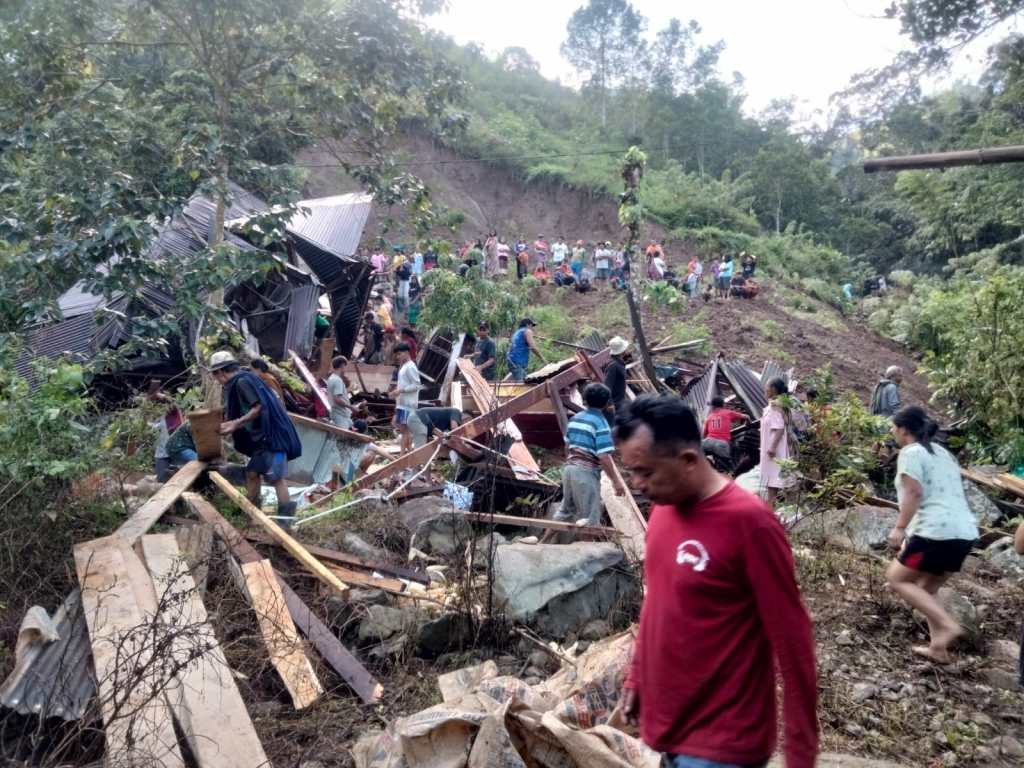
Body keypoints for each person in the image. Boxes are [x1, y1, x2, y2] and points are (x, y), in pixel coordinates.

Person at [617, 395, 818, 768]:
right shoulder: (663, 512)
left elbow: (794, 643)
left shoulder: (750, 524)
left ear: (689, 461)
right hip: (671, 727)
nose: (637, 484)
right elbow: (657, 602)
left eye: (645, 472)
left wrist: (801, 754)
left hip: (725, 740)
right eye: (631, 472)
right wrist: (637, 676)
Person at [885, 406, 979, 664]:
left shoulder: (910, 453)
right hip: (965, 532)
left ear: (904, 430)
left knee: (897, 579)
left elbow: (914, 493)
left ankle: (949, 626)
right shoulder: (945, 454)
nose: (892, 432)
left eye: (894, 428)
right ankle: (938, 648)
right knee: (927, 587)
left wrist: (900, 528)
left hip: (935, 531)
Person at [211, 351, 302, 521]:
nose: (216, 379)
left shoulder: (242, 382)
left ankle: (286, 520)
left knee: (277, 479)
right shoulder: (245, 379)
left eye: (215, 375)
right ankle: (251, 512)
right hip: (263, 438)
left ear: (221, 372)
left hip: (271, 437)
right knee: (252, 473)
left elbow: (258, 407)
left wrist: (236, 423)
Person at [541, 384, 627, 542]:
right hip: (585, 473)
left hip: (569, 469)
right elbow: (603, 456)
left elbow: (568, 446)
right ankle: (587, 557)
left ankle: (542, 542)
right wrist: (616, 481)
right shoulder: (600, 424)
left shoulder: (575, 419)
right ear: (606, 402)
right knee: (590, 519)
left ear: (584, 399)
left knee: (565, 511)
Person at [760, 377, 795, 506]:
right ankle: (772, 507)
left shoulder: (775, 406)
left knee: (772, 480)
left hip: (773, 449)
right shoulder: (773, 405)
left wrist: (772, 447)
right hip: (770, 446)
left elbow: (779, 427)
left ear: (773, 389)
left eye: (767, 386)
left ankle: (770, 508)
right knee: (772, 481)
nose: (765, 389)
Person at [702, 395, 750, 472]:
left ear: (713, 406)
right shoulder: (728, 413)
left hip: (707, 442)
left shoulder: (709, 417)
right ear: (723, 405)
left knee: (700, 454)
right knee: (725, 469)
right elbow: (746, 416)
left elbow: (704, 434)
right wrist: (748, 424)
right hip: (721, 444)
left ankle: (708, 464)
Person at [388, 342, 421, 454]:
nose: (398, 357)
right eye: (397, 355)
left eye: (399, 354)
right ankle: (406, 455)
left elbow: (416, 385)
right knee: (404, 431)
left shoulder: (411, 366)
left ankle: (405, 456)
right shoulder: (404, 366)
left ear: (407, 353)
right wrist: (397, 392)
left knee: (405, 431)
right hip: (403, 403)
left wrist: (400, 390)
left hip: (408, 404)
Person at [506, 317, 545, 382]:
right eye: (531, 325)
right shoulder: (527, 331)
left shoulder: (517, 332)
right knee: (521, 385)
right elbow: (533, 347)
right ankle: (495, 390)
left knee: (523, 377)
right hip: (517, 361)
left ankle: (500, 384)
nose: (532, 328)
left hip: (511, 360)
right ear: (527, 325)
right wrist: (542, 359)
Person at [603, 336, 630, 417]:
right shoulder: (613, 366)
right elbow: (607, 386)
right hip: (616, 405)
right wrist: (610, 404)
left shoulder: (618, 363)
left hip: (620, 402)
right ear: (622, 351)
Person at [326, 355, 354, 429]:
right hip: (340, 416)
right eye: (345, 366)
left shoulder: (331, 378)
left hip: (336, 413)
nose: (345, 369)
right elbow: (337, 399)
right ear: (342, 366)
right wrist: (351, 407)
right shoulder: (338, 380)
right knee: (340, 437)